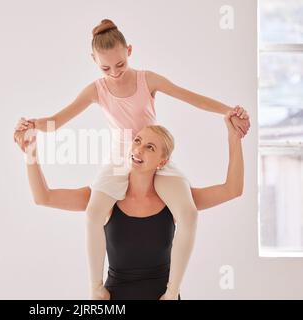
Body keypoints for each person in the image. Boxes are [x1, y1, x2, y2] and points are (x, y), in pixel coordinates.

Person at [14, 19, 250, 299]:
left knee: (188, 212)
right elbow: (57, 121)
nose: (113, 73)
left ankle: (173, 291)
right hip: (119, 160)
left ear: (129, 51)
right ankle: (95, 288)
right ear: (93, 60)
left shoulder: (146, 80)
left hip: (155, 157)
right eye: (105, 68)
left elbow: (190, 98)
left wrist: (228, 112)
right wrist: (30, 127)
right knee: (92, 213)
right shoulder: (96, 90)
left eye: (120, 64)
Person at [14, 110, 244, 299]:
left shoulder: (175, 202)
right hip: (114, 298)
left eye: (150, 148)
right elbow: (43, 197)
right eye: (137, 141)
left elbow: (232, 189)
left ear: (162, 162)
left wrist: (234, 137)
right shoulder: (104, 197)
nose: (138, 149)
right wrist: (30, 151)